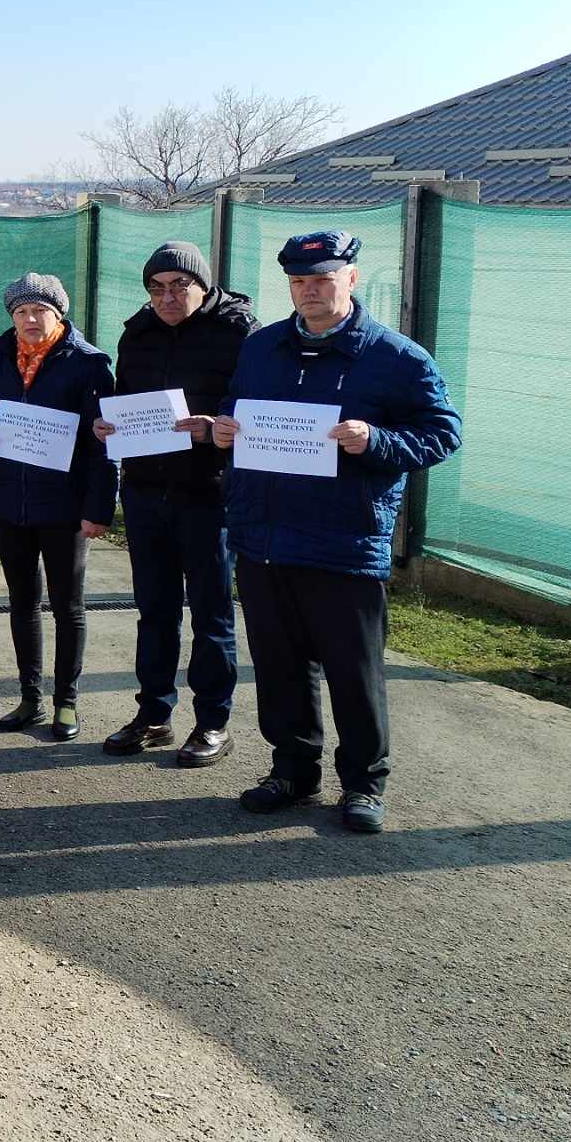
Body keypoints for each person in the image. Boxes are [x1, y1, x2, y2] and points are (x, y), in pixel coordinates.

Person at [212, 230, 460, 834]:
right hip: (263, 536)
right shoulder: (262, 347)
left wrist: (375, 440)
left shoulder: (396, 357)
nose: (310, 291)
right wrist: (223, 429)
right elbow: (237, 409)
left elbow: (442, 432)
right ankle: (293, 771)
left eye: (322, 279)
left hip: (343, 540)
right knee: (279, 666)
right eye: (299, 281)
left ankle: (363, 784)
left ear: (350, 279)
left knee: (354, 671)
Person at [89, 241, 257, 767]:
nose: (167, 297)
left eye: (179, 286)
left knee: (211, 615)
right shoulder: (137, 332)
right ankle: (154, 714)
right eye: (156, 288)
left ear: (202, 286)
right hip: (145, 491)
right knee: (154, 612)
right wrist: (107, 425)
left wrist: (216, 429)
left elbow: (257, 411)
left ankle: (213, 723)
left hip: (208, 493)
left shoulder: (239, 332)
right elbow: (124, 400)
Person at [0, 273, 116, 742]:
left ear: (58, 313)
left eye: (40, 310)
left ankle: (67, 700)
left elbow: (105, 443)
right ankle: (30, 697)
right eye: (21, 311)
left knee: (68, 606)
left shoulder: (89, 365)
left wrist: (98, 508)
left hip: (64, 505)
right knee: (22, 602)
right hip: (10, 499)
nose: (30, 319)